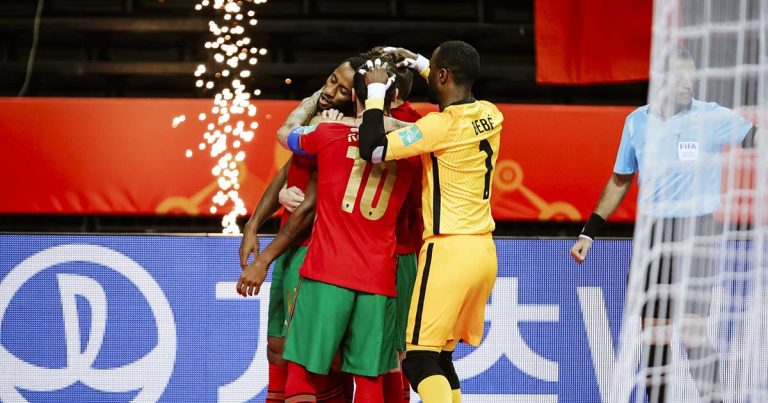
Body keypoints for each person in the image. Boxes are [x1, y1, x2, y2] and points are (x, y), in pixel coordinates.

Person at [569, 48, 756, 403]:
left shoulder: (711, 117)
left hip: (697, 233)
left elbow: (755, 137)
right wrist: (588, 233)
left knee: (692, 329)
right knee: (654, 334)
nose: (687, 82)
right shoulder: (637, 121)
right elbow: (620, 181)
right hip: (654, 236)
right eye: (678, 75)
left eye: (691, 74)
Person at [357, 41, 504, 403]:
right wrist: (422, 62)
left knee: (419, 361)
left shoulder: (438, 127)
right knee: (440, 356)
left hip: (448, 251)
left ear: (442, 76)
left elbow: (373, 149)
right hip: (483, 253)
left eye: (433, 71)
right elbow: (456, 83)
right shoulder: (491, 113)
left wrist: (376, 90)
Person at [282, 56, 420, 403]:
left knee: (302, 373)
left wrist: (316, 106)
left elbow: (286, 133)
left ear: (355, 98)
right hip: (378, 280)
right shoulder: (414, 148)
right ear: (394, 99)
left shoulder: (327, 132)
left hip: (326, 272)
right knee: (371, 381)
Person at [238, 56, 363, 403]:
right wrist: (253, 223)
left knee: (312, 361)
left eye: (342, 89)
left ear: (357, 99)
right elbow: (290, 169)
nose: (330, 90)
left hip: (316, 251)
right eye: (332, 78)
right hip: (290, 246)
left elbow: (309, 206)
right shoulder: (317, 115)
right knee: (277, 347)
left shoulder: (344, 129)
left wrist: (263, 260)